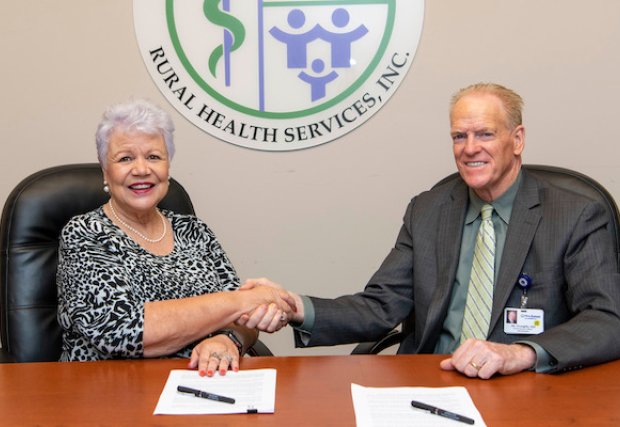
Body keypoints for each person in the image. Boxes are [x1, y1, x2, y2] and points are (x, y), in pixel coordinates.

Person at [240, 83, 620, 379]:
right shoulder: (428, 210)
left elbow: (608, 319)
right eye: (459, 136)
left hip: (526, 385)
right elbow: (379, 306)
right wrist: (294, 307)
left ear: (517, 139)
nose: (470, 149)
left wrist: (521, 353)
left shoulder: (575, 214)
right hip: (433, 381)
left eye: (485, 134)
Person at [57, 99, 293, 376]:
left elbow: (244, 321)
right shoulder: (85, 233)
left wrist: (228, 339)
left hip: (203, 386)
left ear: (168, 167)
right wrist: (243, 301)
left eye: (154, 157)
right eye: (125, 158)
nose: (142, 169)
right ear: (105, 171)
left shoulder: (194, 231)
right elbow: (123, 331)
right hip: (113, 393)